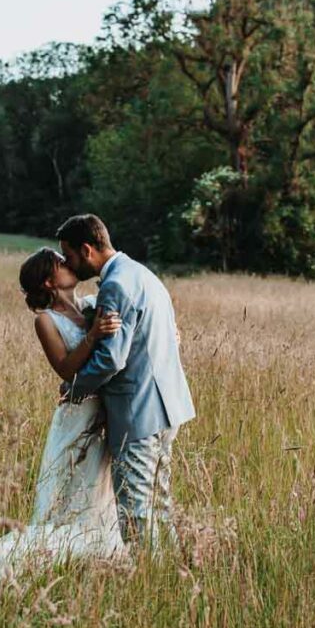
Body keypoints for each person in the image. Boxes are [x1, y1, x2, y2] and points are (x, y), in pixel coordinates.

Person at [0, 246, 126, 578]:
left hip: (105, 413)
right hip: (76, 417)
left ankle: (93, 556)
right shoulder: (46, 321)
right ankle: (36, 559)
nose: (68, 264)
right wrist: (94, 335)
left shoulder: (88, 306)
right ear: (49, 281)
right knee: (69, 496)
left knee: (100, 492)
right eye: (59, 262)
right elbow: (66, 370)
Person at [57, 214, 195, 548]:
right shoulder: (141, 274)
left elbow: (112, 359)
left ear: (88, 249)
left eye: (70, 256)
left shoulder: (116, 285)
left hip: (137, 411)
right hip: (167, 406)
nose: (69, 265)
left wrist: (72, 389)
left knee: (135, 511)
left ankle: (150, 580)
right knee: (158, 503)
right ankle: (168, 574)